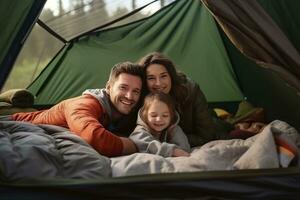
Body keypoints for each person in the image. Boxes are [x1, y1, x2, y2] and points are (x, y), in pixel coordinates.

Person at [11, 62, 144, 157]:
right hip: (17, 121)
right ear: (108, 87)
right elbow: (94, 137)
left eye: (136, 91)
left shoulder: (126, 113)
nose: (129, 96)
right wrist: (135, 146)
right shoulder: (84, 104)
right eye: (123, 88)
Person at [138, 52, 216, 147]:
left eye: (163, 76)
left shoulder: (190, 90)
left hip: (210, 125)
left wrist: (167, 142)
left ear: (171, 76)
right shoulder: (140, 96)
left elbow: (206, 136)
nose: (158, 83)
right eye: (151, 78)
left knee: (221, 127)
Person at [129, 92, 190, 157]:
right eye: (154, 115)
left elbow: (184, 149)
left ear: (171, 117)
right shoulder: (140, 130)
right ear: (145, 116)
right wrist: (171, 151)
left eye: (165, 115)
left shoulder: (174, 128)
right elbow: (142, 143)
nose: (159, 119)